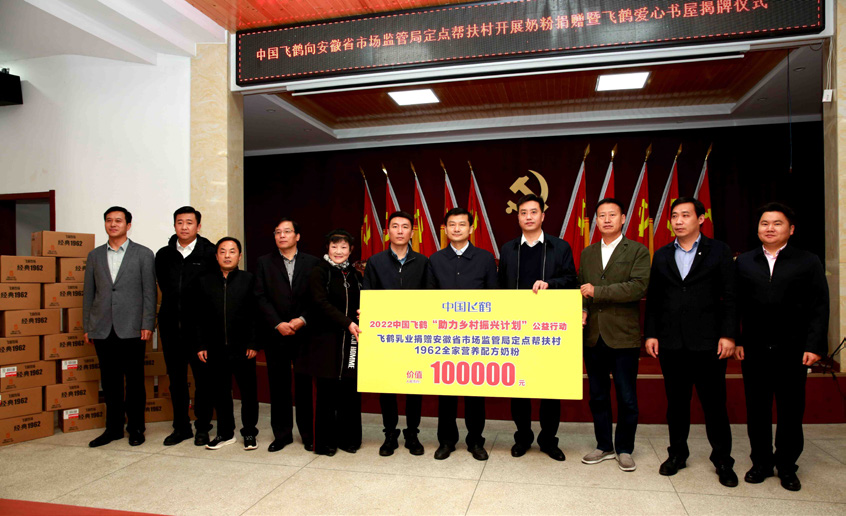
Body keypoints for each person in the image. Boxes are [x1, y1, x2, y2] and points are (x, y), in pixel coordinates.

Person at [645, 197, 738, 487]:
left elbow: (730, 296)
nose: (679, 221)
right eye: (674, 216)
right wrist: (651, 334)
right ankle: (677, 454)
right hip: (671, 343)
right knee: (676, 405)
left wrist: (729, 334)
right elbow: (654, 299)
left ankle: (723, 460)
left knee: (714, 405)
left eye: (685, 215)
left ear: (701, 219)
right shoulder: (662, 254)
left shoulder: (719, 251)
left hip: (709, 343)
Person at [735, 202, 829, 492]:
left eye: (777, 223)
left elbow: (819, 306)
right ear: (757, 228)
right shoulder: (744, 261)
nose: (770, 228)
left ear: (791, 229)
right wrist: (736, 339)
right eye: (765, 223)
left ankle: (787, 465)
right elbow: (735, 305)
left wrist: (814, 345)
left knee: (791, 410)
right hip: (754, 349)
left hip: (793, 349)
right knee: (757, 410)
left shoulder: (808, 261)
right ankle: (761, 462)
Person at [498, 194, 577, 461]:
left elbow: (571, 280)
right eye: (523, 212)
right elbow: (501, 287)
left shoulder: (559, 247)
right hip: (516, 329)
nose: (529, 217)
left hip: (549, 328)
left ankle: (548, 440)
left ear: (543, 216)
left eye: (534, 212)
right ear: (518, 217)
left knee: (549, 388)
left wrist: (550, 284)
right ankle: (522, 437)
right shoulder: (508, 249)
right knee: (519, 387)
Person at [579, 198, 650, 472]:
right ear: (595, 221)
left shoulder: (638, 251)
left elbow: (637, 287)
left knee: (626, 396)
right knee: (597, 396)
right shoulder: (587, 253)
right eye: (601, 215)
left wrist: (597, 292)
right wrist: (583, 308)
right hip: (593, 336)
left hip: (623, 336)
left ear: (623, 219)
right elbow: (580, 288)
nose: (607, 220)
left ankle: (625, 448)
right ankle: (603, 445)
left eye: (612, 215)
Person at [83, 206, 156, 447]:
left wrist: (147, 323)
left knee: (134, 382)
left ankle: (136, 428)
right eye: (109, 220)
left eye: (118, 220)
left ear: (128, 225)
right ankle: (113, 429)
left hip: (133, 327)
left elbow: (149, 292)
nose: (113, 224)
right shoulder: (94, 256)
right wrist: (88, 326)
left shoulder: (143, 254)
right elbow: (88, 294)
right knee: (110, 382)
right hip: (102, 327)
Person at [427, 207, 496, 461]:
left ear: (471, 228)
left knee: (475, 392)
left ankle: (476, 441)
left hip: (477, 336)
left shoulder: (485, 258)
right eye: (452, 224)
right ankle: (446, 441)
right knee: (446, 392)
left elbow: (495, 297)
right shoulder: (435, 259)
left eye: (462, 224)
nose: (457, 228)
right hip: (445, 336)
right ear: (445, 229)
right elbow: (428, 298)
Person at [362, 210, 430, 456]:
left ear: (412, 232)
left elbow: (430, 298)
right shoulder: (375, 262)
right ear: (387, 231)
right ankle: (390, 433)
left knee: (414, 386)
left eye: (405, 227)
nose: (400, 231)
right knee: (387, 386)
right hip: (385, 336)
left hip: (415, 335)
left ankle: (412, 433)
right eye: (395, 226)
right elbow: (368, 295)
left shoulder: (423, 262)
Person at [155, 206, 217, 447]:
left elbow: (213, 291)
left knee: (203, 380)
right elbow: (164, 286)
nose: (184, 227)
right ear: (174, 225)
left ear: (198, 226)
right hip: (171, 326)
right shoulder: (164, 254)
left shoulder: (209, 253)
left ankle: (203, 426)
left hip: (200, 329)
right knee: (176, 379)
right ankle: (181, 427)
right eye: (180, 222)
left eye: (189, 222)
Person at [255, 218, 318, 452]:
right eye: (278, 232)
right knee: (279, 386)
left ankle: (308, 434)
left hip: (305, 334)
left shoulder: (313, 263)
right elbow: (259, 296)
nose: (282, 235)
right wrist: (277, 323)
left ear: (297, 236)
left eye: (287, 231)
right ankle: (282, 435)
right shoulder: (264, 262)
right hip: (276, 334)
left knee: (304, 387)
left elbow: (318, 297)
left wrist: (302, 319)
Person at [191, 237, 260, 451]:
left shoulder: (249, 279)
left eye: (232, 251)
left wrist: (254, 343)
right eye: (222, 251)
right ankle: (225, 432)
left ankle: (249, 431)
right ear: (216, 256)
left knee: (248, 392)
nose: (227, 255)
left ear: (239, 256)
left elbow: (256, 315)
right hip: (215, 347)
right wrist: (201, 344)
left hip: (243, 348)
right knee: (220, 392)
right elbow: (198, 316)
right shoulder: (204, 280)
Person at [306, 229, 363, 456]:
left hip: (351, 341)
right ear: (327, 248)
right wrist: (347, 322)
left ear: (351, 250)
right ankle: (325, 443)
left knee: (350, 389)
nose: (338, 251)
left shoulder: (355, 274)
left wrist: (363, 313)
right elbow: (320, 303)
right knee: (327, 392)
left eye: (343, 247)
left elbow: (363, 300)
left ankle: (349, 439)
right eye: (334, 246)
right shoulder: (319, 271)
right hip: (326, 341)